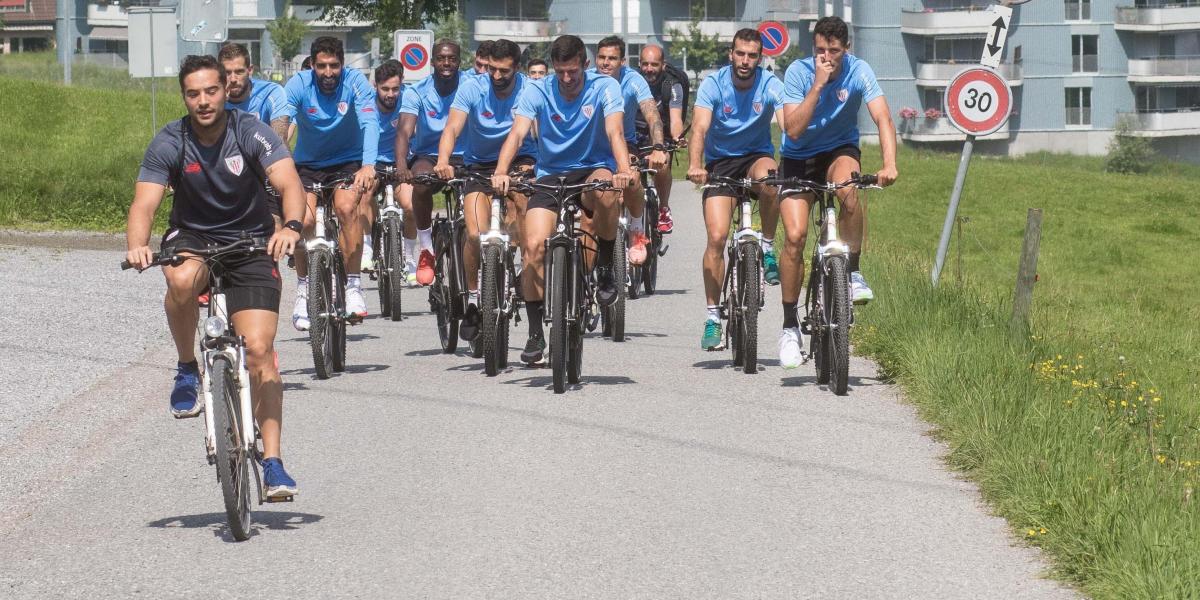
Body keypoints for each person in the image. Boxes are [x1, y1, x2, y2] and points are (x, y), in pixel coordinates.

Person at [125, 55, 306, 497]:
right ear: (184, 96)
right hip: (194, 237)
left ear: (226, 90)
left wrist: (290, 227)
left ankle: (274, 462)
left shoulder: (250, 131)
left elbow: (289, 184)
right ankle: (187, 367)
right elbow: (144, 204)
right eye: (193, 93)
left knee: (261, 350)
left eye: (211, 91)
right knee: (181, 279)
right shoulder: (170, 140)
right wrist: (138, 244)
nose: (203, 101)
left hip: (250, 241)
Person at [491, 34, 633, 364]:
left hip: (592, 168)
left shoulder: (604, 88)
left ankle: (607, 265)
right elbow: (518, 132)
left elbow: (615, 131)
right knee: (535, 245)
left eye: (573, 72)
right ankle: (536, 332)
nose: (567, 80)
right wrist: (501, 170)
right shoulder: (537, 89)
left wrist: (623, 168)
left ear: (585, 65)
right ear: (553, 69)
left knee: (608, 191)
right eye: (561, 72)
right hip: (551, 174)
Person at [776, 16, 898, 369]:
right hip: (798, 156)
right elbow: (794, 131)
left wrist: (889, 164)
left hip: (839, 150)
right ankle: (789, 326)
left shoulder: (860, 71)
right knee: (796, 237)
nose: (825, 57)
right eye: (819, 50)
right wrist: (818, 84)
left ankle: (854, 272)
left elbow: (883, 118)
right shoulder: (799, 73)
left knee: (849, 191)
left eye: (833, 51)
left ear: (847, 49)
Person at [685, 28, 786, 351]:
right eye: (740, 54)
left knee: (771, 180)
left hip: (756, 156)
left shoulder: (770, 83)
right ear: (731, 53)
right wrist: (696, 164)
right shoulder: (714, 84)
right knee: (716, 238)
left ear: (760, 58)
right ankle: (713, 316)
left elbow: (786, 123)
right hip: (721, 162)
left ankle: (767, 247)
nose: (745, 61)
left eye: (752, 55)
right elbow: (699, 127)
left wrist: (792, 158)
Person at [434, 39, 536, 342]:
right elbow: (452, 127)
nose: (496, 76)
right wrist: (442, 160)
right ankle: (476, 298)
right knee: (476, 234)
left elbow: (530, 131)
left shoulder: (530, 89)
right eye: (491, 69)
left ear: (516, 68)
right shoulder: (471, 87)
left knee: (524, 216)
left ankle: (519, 270)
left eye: (504, 71)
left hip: (520, 161)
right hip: (478, 166)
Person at [283, 36, 380, 330]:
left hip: (347, 161)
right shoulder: (298, 84)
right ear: (312, 64)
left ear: (342, 64)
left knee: (348, 206)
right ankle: (303, 289)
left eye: (334, 66)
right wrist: (274, 160)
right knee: (302, 220)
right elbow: (282, 122)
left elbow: (370, 121)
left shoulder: (355, 83)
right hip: (308, 164)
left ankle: (352, 286)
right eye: (322, 66)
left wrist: (368, 165)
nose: (328, 72)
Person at [395, 39, 472, 286]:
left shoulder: (471, 86)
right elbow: (405, 131)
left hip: (467, 155)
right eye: (441, 58)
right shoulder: (417, 91)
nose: (446, 63)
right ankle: (427, 248)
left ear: (460, 62)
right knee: (421, 182)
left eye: (452, 58)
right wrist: (401, 165)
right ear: (432, 61)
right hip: (428, 155)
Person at [590, 36, 667, 267]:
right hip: (592, 147)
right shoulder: (587, 80)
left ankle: (636, 228)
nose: (605, 63)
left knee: (632, 179)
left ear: (622, 61)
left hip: (626, 144)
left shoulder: (633, 80)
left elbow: (652, 114)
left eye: (612, 58)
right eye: (601, 57)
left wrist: (658, 147)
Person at [219, 42, 290, 230]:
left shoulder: (272, 93)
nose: (232, 79)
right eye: (226, 72)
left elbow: (278, 139)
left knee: (272, 228)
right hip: (228, 172)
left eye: (239, 71)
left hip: (265, 169)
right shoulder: (213, 99)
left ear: (250, 70)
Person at [636, 44, 688, 234]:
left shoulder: (672, 86)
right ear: (639, 64)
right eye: (645, 64)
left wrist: (677, 136)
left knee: (662, 165)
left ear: (663, 65)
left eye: (654, 64)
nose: (649, 69)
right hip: (634, 136)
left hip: (661, 136)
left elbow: (675, 118)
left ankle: (663, 209)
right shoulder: (632, 82)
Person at [360, 59, 406, 273]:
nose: (390, 94)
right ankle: (367, 246)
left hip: (400, 161)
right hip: (373, 160)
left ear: (402, 85)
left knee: (410, 203)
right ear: (375, 86)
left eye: (395, 89)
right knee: (366, 193)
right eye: (385, 88)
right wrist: (367, 165)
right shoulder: (366, 104)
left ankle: (411, 255)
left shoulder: (407, 100)